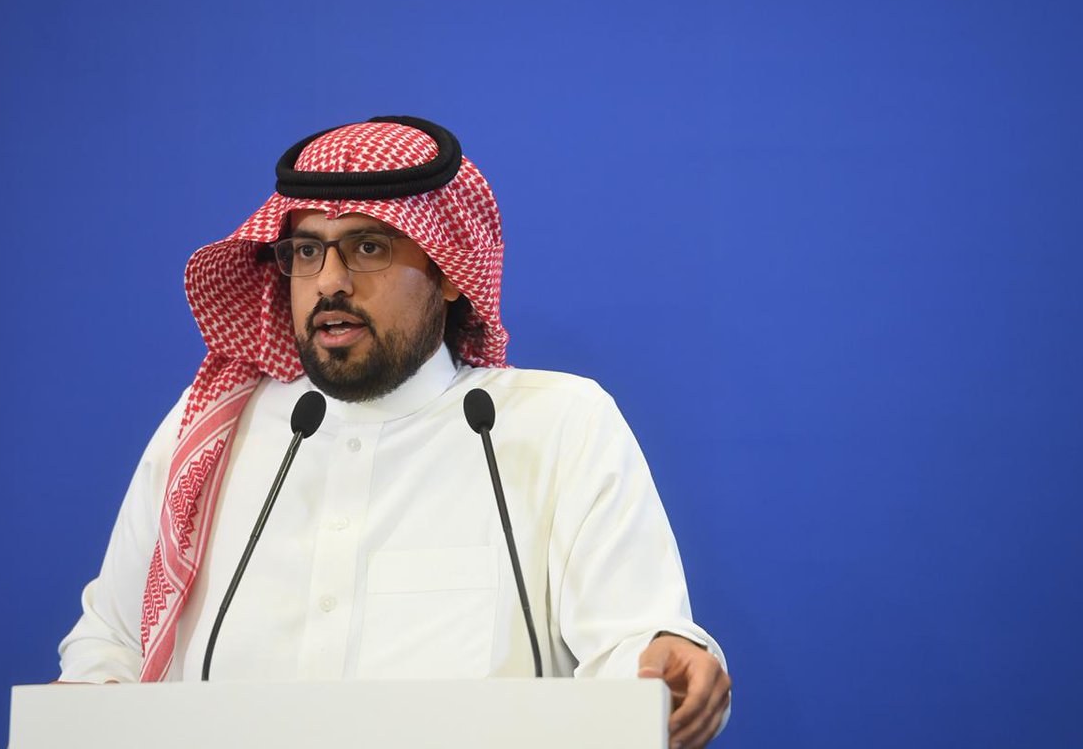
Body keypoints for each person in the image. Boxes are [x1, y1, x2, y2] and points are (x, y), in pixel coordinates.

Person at [58, 116, 731, 747]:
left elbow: (632, 649)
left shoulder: (554, 425)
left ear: (449, 272)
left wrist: (666, 664)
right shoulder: (211, 429)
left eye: (368, 247)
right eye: (307, 251)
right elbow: (113, 641)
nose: (330, 282)